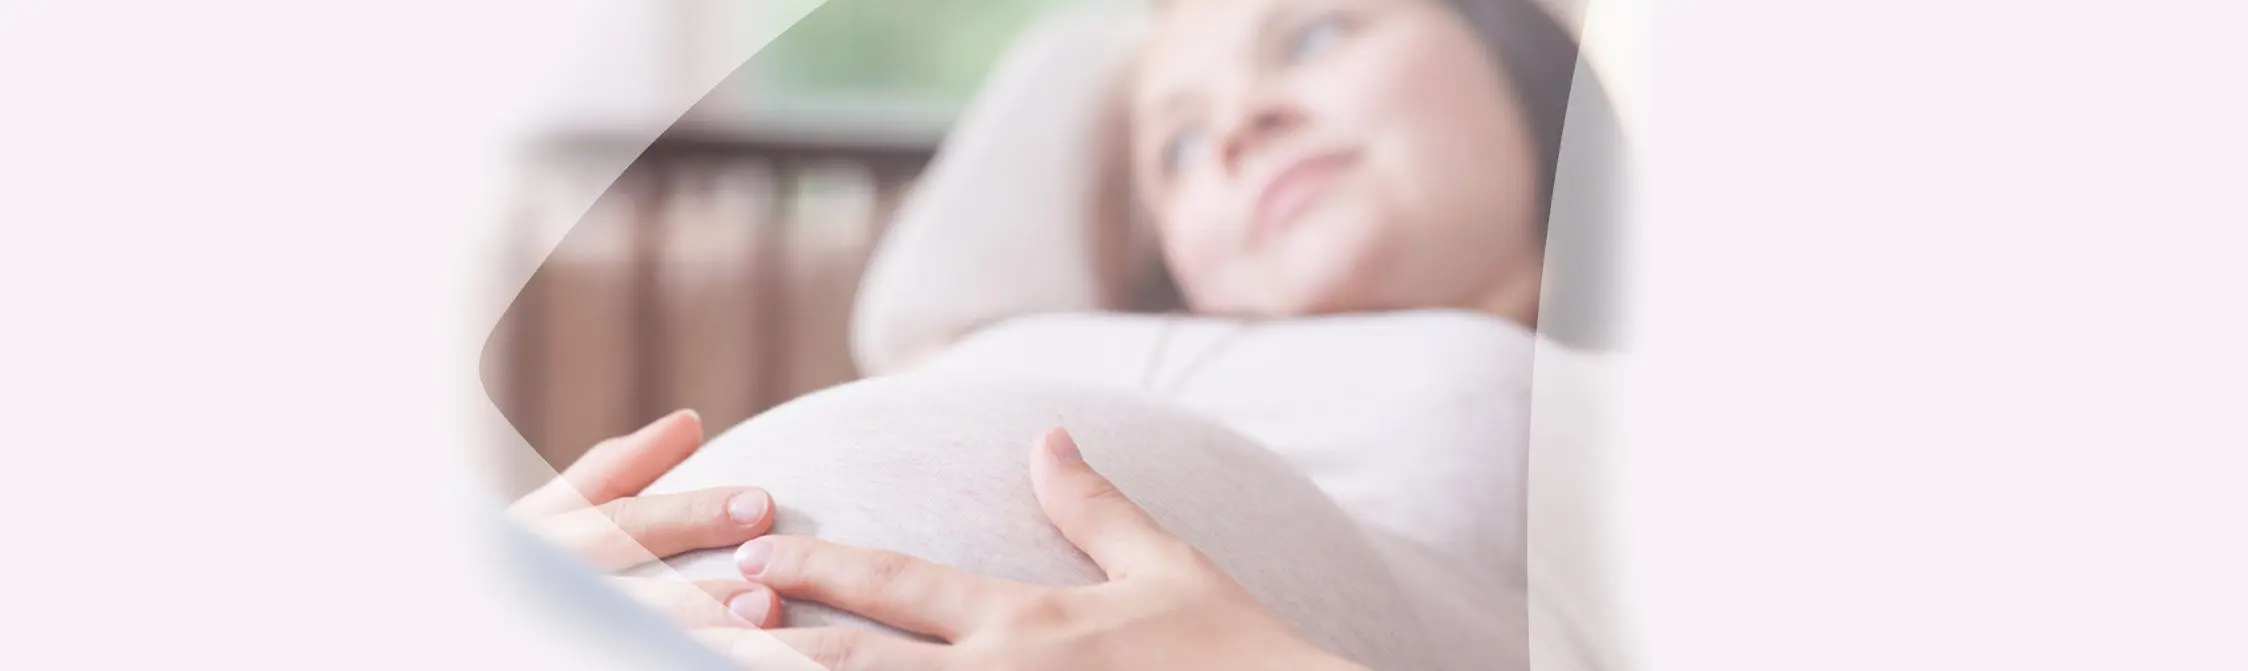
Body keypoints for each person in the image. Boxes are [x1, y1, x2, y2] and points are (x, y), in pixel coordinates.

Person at [513, 0, 1612, 667]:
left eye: (1314, 32)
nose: (1236, 125)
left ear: (1516, 53)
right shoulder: (1092, 350)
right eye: (1176, 147)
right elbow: (911, 311)